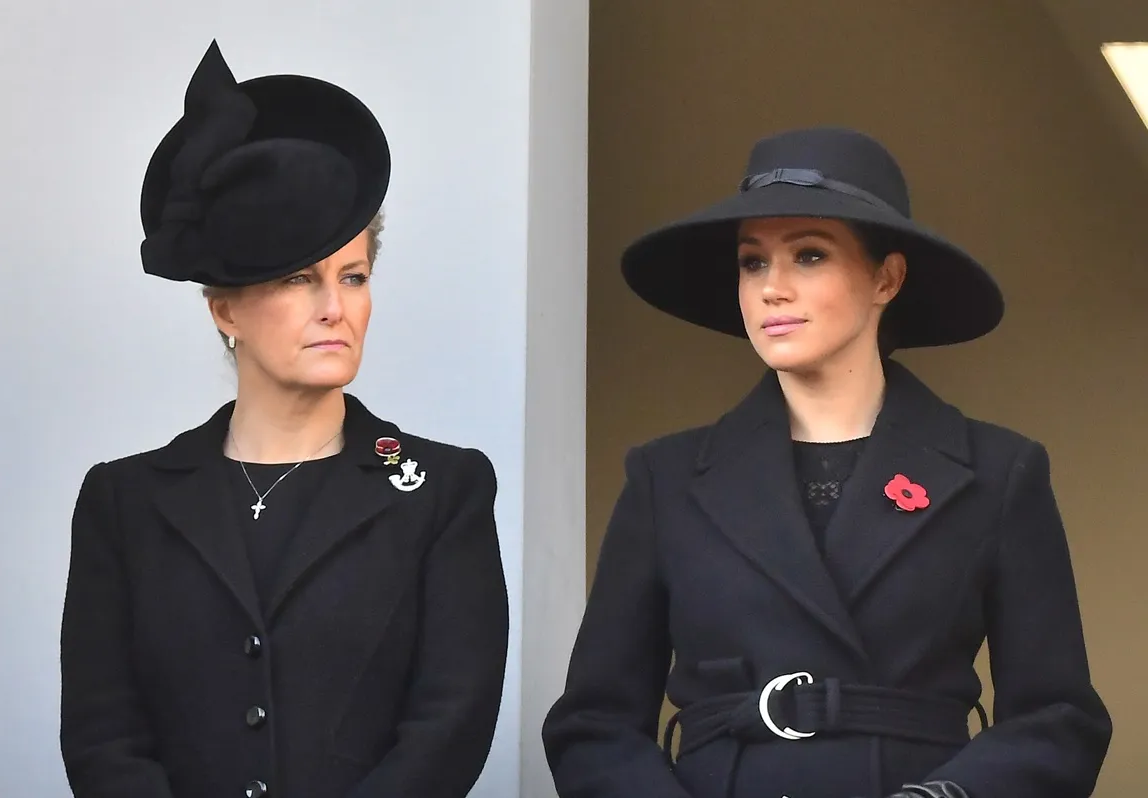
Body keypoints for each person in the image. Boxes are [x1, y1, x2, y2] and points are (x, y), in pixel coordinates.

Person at [541, 127, 1112, 798]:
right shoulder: (664, 479)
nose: (771, 289)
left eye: (808, 255)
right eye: (753, 262)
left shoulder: (999, 473)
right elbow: (594, 723)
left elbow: (1059, 719)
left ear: (886, 278)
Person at [59, 41, 509, 798]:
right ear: (224, 308)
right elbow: (104, 738)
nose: (336, 307)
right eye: (300, 278)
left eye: (354, 276)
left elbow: (448, 729)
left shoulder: (443, 490)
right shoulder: (123, 502)